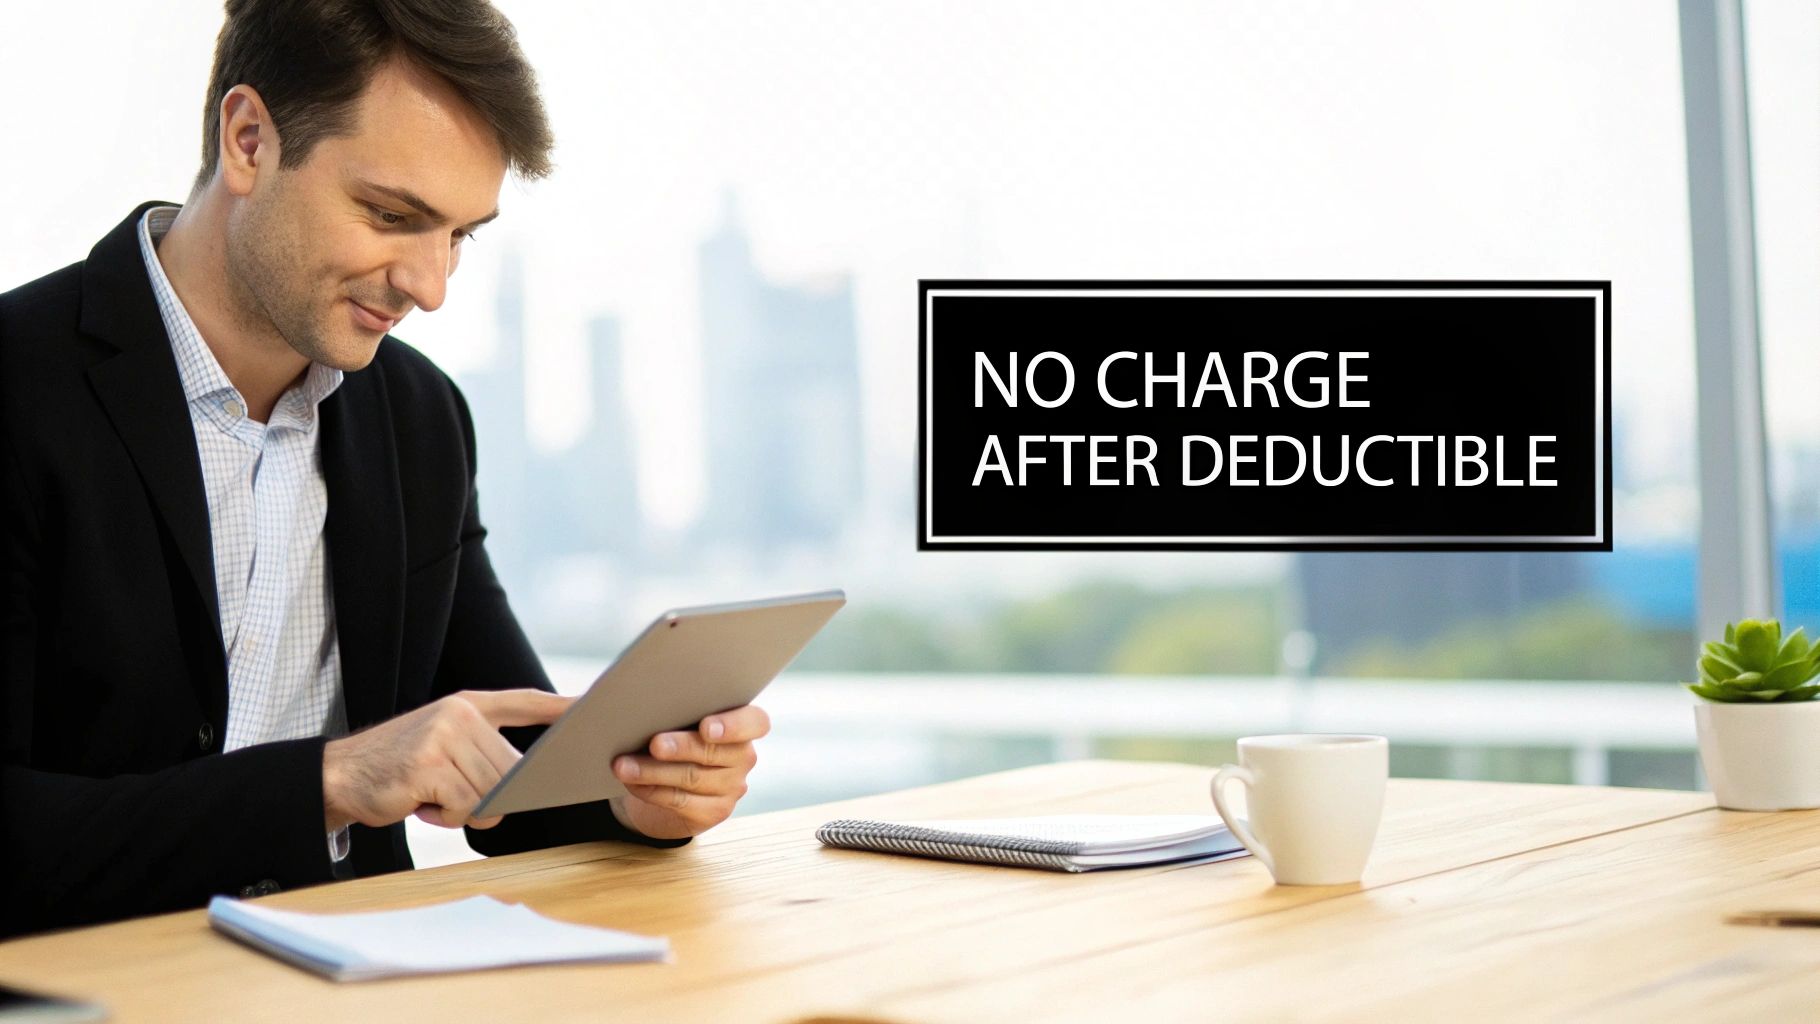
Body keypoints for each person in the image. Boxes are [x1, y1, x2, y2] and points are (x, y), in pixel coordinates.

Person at [0, 0, 767, 938]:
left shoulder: (419, 418)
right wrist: (336, 780)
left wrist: (636, 796)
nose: (431, 285)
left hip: (352, 983)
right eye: (393, 216)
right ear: (249, 141)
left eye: (459, 235)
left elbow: (507, 762)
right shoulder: (18, 387)